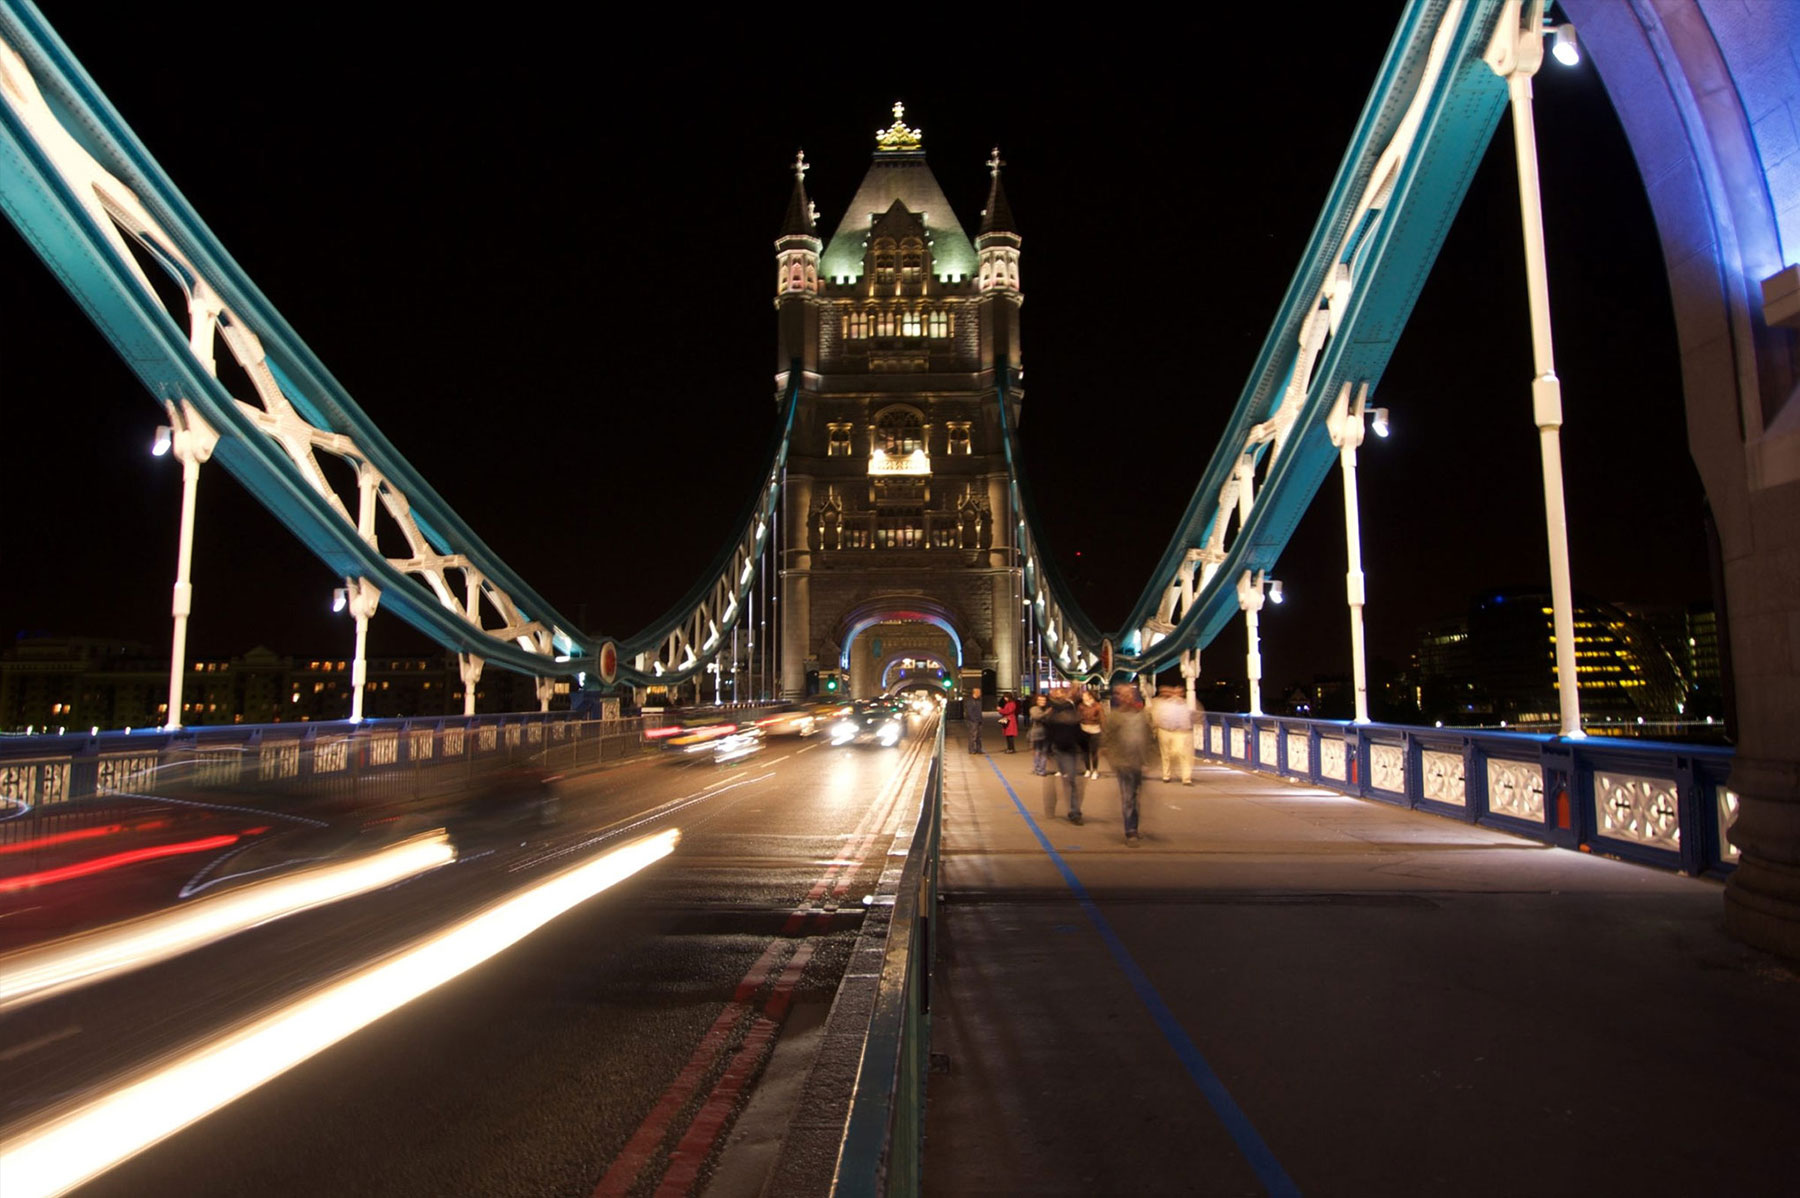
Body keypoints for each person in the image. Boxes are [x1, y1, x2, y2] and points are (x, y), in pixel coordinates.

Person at [1101, 684, 1154, 845]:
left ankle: (1134, 826)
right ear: (1118, 697)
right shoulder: (1114, 717)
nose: (1127, 697)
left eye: (1130, 694)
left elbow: (1150, 738)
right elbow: (1107, 739)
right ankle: (1131, 831)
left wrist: (1149, 760)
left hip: (1138, 762)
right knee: (1129, 797)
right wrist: (1110, 755)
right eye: (1123, 695)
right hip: (1122, 762)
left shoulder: (1143, 715)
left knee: (1135, 796)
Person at [1042, 688, 1085, 823]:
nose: (1061, 694)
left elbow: (1078, 730)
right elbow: (1047, 731)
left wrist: (1083, 747)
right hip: (1057, 748)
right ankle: (1052, 808)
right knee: (1056, 780)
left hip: (1069, 749)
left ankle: (1074, 812)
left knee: (1071, 780)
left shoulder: (1070, 708)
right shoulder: (1051, 710)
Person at [1151, 684, 1197, 785]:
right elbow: (1157, 716)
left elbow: (1195, 716)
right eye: (1175, 692)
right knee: (1166, 755)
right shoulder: (1163, 703)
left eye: (1179, 692)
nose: (1177, 694)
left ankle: (1186, 778)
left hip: (1182, 732)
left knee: (1184, 756)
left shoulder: (1187, 704)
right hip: (1165, 730)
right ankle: (1166, 775)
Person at [1077, 687, 1105, 779]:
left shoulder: (1097, 706)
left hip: (1095, 730)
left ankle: (1095, 770)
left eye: (1084, 695)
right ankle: (1088, 769)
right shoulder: (1081, 706)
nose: (1083, 696)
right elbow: (1078, 716)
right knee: (1085, 751)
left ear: (1090, 696)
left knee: (1094, 751)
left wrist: (1104, 729)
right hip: (1083, 729)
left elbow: (1102, 718)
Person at [1027, 691, 1050, 775]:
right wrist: (1047, 713)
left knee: (1044, 751)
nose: (1042, 702)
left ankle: (1041, 769)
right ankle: (1037, 768)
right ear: (1036, 701)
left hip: (1047, 732)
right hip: (1037, 733)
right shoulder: (1034, 709)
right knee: (1037, 751)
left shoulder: (1047, 709)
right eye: (1040, 700)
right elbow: (1037, 716)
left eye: (1044, 700)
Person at [963, 686, 984, 754]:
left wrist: (980, 719)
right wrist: (974, 719)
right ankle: (971, 750)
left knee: (979, 736)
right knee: (973, 736)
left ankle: (979, 749)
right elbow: (969, 712)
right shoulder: (970, 701)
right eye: (979, 692)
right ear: (975, 693)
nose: (980, 693)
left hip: (979, 720)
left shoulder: (979, 701)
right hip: (973, 721)